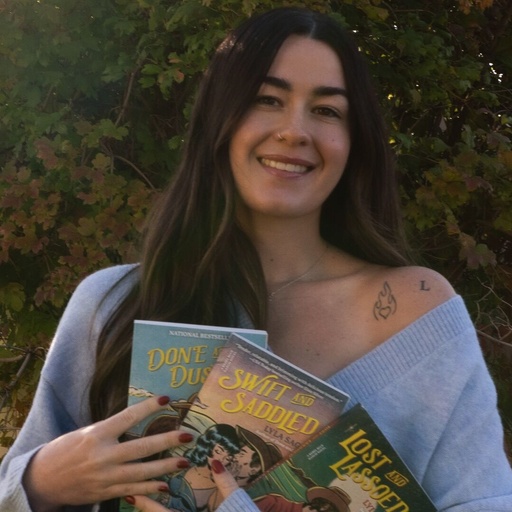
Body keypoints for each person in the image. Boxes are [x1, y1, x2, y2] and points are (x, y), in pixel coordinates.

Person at [1, 6, 511, 512]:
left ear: (355, 141)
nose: (294, 131)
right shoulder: (113, 304)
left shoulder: (416, 313)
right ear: (219, 120)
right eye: (267, 99)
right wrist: (41, 481)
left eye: (327, 110)